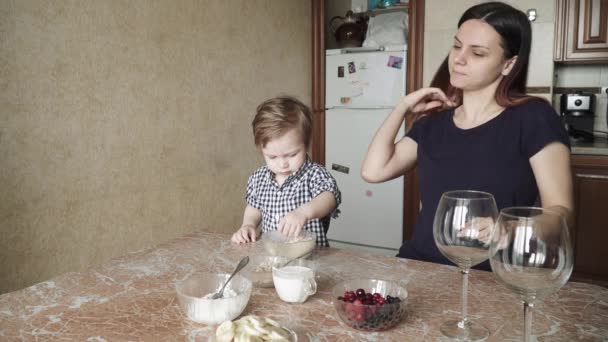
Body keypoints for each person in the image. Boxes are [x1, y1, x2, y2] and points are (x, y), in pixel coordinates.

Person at [361, 1, 573, 270]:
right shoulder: (433, 123)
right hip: (422, 266)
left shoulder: (533, 118)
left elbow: (561, 212)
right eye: (457, 45)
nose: (459, 59)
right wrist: (401, 108)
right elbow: (373, 171)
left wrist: (510, 229)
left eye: (478, 53)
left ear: (508, 64)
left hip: (495, 276)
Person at [231, 96, 341, 247]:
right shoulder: (258, 178)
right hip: (273, 254)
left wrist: (303, 212)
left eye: (292, 155)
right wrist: (248, 225)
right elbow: (254, 207)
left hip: (310, 256)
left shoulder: (314, 174)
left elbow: (329, 198)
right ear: (261, 150)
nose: (283, 164)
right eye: (272, 157)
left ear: (306, 144)